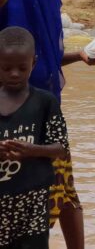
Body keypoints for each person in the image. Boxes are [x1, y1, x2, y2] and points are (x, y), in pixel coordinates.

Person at [0, 0, 95, 249]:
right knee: (57, 186)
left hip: (43, 112)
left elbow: (37, 57)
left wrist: (79, 55)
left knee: (59, 184)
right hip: (15, 115)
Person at [0, 27, 70, 249]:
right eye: (6, 68)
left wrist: (33, 150)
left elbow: (61, 147)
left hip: (33, 201)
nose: (14, 74)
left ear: (34, 62)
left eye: (22, 68)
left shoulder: (45, 103)